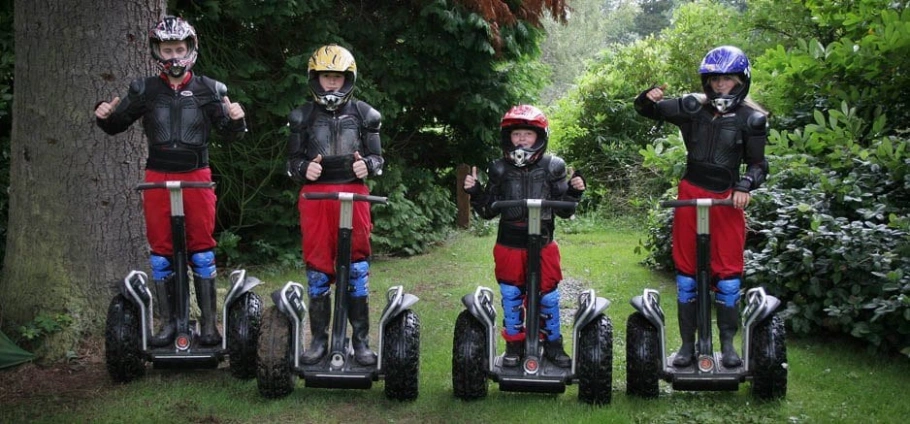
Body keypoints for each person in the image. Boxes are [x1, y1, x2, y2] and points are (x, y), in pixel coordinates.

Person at [95, 16, 247, 347]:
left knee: (202, 252)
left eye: (180, 48)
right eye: (168, 49)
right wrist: (104, 115)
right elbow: (116, 124)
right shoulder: (145, 90)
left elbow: (229, 133)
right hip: (158, 176)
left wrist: (236, 120)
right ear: (157, 52)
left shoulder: (210, 88)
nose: (174, 56)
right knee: (162, 253)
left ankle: (208, 325)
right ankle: (168, 322)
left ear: (191, 49)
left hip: (196, 176)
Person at [634, 45, 769, 368]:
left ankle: (727, 345)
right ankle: (687, 346)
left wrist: (745, 185)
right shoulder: (692, 109)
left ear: (741, 80)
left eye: (728, 80)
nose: (721, 86)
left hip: (726, 199)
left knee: (728, 275)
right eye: (715, 80)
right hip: (690, 195)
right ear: (706, 82)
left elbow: (759, 165)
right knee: (687, 275)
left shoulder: (752, 119)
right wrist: (646, 98)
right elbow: (647, 111)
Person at [463, 105, 586, 368]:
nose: (521, 140)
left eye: (527, 135)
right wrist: (475, 192)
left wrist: (575, 193)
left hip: (543, 243)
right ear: (508, 137)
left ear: (539, 137)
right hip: (510, 243)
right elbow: (487, 210)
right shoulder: (498, 168)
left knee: (549, 296)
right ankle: (514, 346)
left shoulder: (554, 166)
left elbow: (564, 210)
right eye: (517, 134)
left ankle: (553, 344)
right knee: (511, 295)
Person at [286, 44, 384, 366]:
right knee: (318, 270)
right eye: (327, 77)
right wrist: (303, 169)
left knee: (356, 268)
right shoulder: (301, 116)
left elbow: (378, 159)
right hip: (315, 199)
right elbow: (291, 162)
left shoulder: (366, 115)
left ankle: (360, 341)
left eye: (338, 78)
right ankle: (318, 340)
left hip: (353, 195)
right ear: (316, 78)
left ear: (348, 79)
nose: (332, 84)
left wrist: (367, 166)